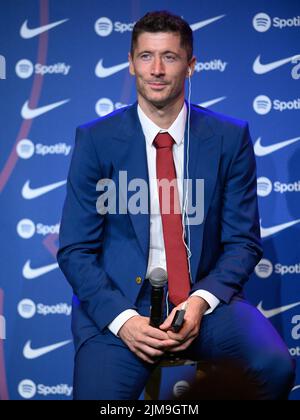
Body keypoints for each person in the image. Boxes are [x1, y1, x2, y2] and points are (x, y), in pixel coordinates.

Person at [57, 10, 295, 400]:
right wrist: (124, 321)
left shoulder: (229, 138)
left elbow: (243, 242)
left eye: (169, 56)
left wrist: (201, 302)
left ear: (191, 66)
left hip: (207, 306)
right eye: (146, 56)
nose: (157, 69)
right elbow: (75, 250)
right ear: (131, 63)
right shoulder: (96, 140)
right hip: (120, 308)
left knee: (274, 367)